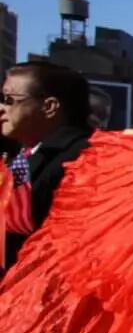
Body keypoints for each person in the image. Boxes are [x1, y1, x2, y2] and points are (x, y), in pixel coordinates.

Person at [0, 61, 94, 268]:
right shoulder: (21, 154)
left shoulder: (83, 158)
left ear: (49, 107)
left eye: (9, 100)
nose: (1, 109)